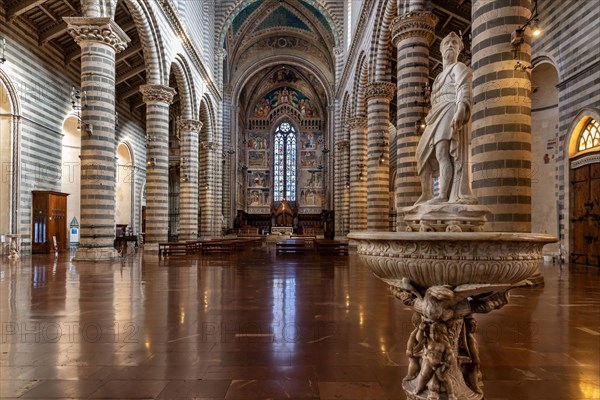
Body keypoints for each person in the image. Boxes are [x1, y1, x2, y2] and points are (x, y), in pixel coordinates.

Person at [415, 32, 476, 205]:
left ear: (458, 49)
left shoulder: (458, 67)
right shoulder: (438, 78)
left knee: (442, 152)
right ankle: (427, 193)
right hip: (436, 115)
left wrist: (460, 110)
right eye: (447, 43)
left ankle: (442, 195)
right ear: (441, 50)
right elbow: (434, 100)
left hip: (450, 108)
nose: (450, 45)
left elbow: (464, 87)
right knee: (421, 154)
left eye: (454, 43)